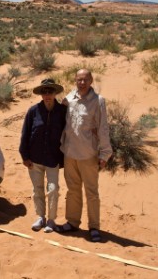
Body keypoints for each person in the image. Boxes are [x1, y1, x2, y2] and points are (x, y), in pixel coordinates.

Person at [57, 68, 112, 242]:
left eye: (85, 80)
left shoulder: (98, 101)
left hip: (88, 154)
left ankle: (94, 227)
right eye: (79, 80)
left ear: (91, 81)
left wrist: (104, 154)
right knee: (73, 190)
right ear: (75, 80)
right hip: (70, 153)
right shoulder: (69, 99)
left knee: (92, 192)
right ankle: (72, 222)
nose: (82, 83)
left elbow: (103, 128)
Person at [19, 78, 67, 233]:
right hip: (35, 158)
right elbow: (25, 133)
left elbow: (69, 134)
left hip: (53, 158)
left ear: (55, 93)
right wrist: (24, 156)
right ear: (41, 94)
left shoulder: (62, 111)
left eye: (50, 91)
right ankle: (40, 217)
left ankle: (51, 220)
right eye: (44, 92)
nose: (47, 95)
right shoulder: (33, 111)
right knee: (37, 189)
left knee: (53, 189)